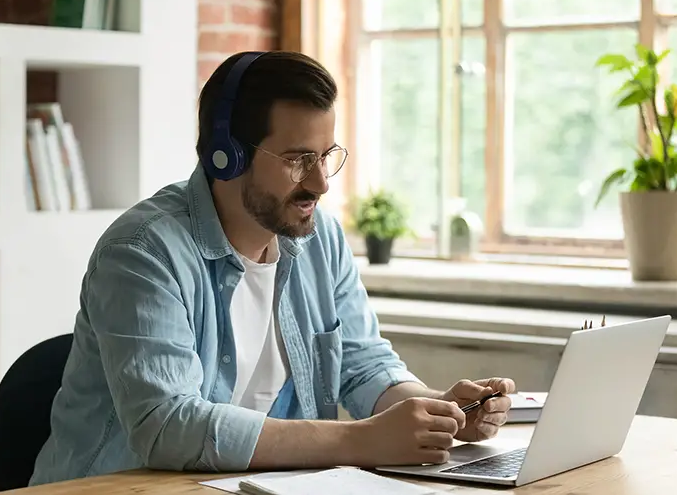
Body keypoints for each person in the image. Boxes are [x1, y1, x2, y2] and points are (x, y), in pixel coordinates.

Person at [28, 50, 516, 486]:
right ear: (227, 156)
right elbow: (168, 426)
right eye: (298, 159)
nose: (321, 184)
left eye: (326, 156)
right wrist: (360, 440)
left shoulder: (318, 237)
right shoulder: (142, 252)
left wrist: (438, 413)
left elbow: (362, 364)